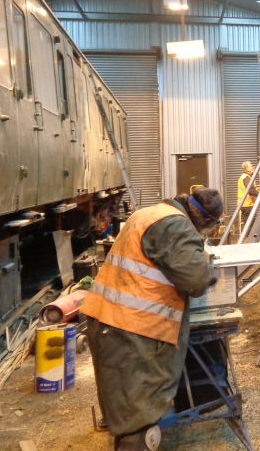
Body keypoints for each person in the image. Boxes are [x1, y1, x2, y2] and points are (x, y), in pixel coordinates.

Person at [82, 187, 223, 451]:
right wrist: (209, 269)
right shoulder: (175, 225)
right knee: (137, 415)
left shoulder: (150, 212)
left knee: (123, 400)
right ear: (204, 219)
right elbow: (195, 280)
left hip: (108, 318)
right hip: (132, 330)